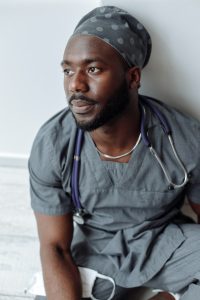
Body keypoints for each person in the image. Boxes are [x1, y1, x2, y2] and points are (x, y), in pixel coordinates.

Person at [28, 5, 200, 300]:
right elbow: (54, 247)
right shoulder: (53, 144)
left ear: (133, 78)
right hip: (96, 248)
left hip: (165, 242)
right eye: (68, 70)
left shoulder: (184, 139)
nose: (75, 85)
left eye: (93, 69)